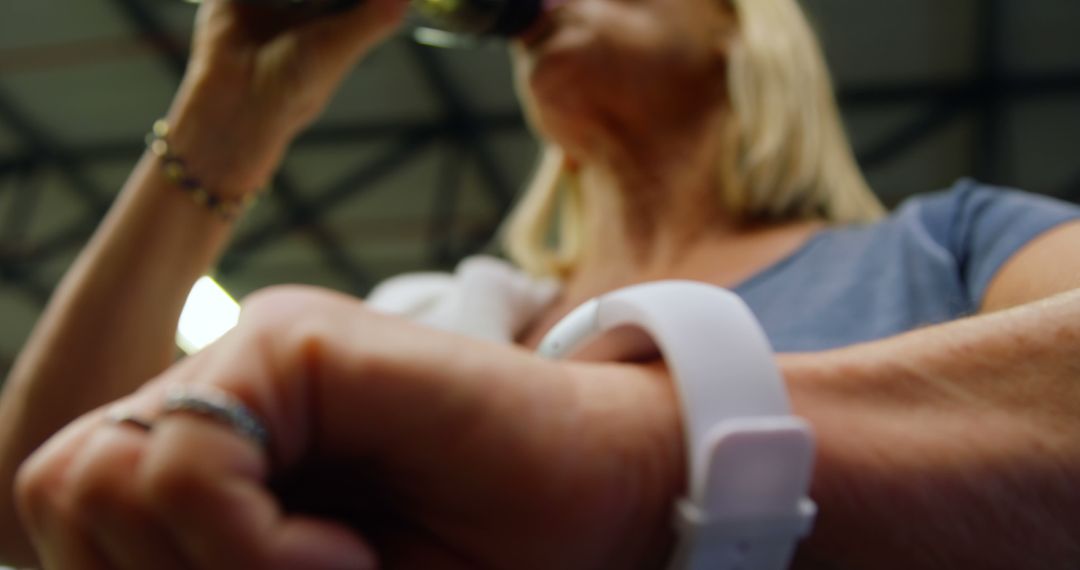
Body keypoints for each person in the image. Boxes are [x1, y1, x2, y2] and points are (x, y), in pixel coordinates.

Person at [1, 0, 1079, 567]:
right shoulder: (435, 323)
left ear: (742, 28)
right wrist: (227, 115)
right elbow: (34, 506)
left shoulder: (945, 244)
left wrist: (638, 450)